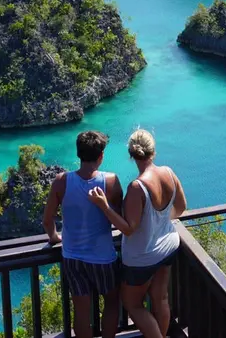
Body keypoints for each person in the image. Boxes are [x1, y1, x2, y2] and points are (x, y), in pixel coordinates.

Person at [88, 129, 187, 338]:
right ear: (153, 150)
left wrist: (104, 206)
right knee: (160, 299)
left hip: (143, 256)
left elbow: (128, 229)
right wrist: (158, 223)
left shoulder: (137, 187)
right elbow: (181, 207)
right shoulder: (168, 172)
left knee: (133, 304)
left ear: (131, 154)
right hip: (168, 245)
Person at [43, 131, 122, 338]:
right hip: (103, 257)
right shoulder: (111, 182)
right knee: (113, 302)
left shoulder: (62, 181)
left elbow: (47, 219)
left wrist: (54, 238)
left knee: (81, 310)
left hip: (72, 256)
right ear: (101, 156)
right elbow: (121, 220)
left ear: (79, 154)